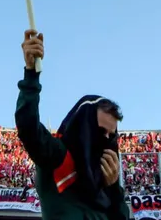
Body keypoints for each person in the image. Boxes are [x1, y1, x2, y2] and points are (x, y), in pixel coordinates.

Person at [17, 30, 128, 220]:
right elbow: (28, 128)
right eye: (100, 131)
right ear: (83, 127)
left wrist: (114, 189)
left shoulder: (105, 180)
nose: (106, 141)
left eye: (111, 136)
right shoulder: (58, 156)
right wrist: (31, 75)